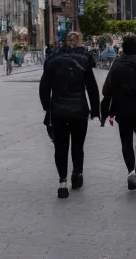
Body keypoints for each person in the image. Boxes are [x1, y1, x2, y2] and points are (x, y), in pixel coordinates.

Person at [39, 31, 100, 199]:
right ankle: (77, 173)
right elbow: (91, 87)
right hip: (79, 110)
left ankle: (62, 181)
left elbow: (44, 88)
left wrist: (47, 108)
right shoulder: (84, 58)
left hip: (58, 111)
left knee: (60, 147)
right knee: (77, 146)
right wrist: (95, 109)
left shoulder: (52, 59)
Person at [100, 35, 136, 190]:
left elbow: (107, 88)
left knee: (126, 141)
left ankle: (131, 171)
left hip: (122, 109)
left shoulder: (118, 63)